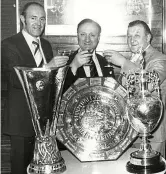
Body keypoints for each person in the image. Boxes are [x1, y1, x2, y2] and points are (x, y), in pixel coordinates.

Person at [1, 2, 69, 174]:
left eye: (42, 19)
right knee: (20, 168)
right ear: (23, 19)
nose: (38, 23)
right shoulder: (9, 45)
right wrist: (48, 66)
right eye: (33, 18)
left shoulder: (46, 45)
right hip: (21, 120)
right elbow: (17, 80)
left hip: (44, 122)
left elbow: (48, 84)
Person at [103, 20, 166, 158]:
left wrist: (123, 62)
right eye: (129, 36)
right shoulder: (133, 59)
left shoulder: (159, 58)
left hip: (152, 133)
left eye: (137, 35)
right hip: (129, 132)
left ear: (148, 37)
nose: (132, 40)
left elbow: (149, 84)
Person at [63, 18, 115, 92]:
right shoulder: (65, 62)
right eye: (83, 34)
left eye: (92, 35)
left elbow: (112, 91)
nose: (87, 39)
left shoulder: (105, 62)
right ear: (77, 36)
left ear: (98, 38)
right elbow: (60, 93)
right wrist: (73, 66)